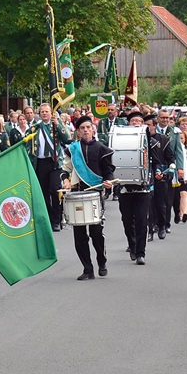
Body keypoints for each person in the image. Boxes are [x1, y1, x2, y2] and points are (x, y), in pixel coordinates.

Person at [60, 116, 115, 280]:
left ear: (93, 129)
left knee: (96, 232)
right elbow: (65, 170)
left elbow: (108, 171)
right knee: (79, 234)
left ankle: (101, 260)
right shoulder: (73, 149)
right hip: (77, 194)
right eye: (82, 128)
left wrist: (108, 183)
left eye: (88, 127)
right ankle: (87, 269)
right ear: (77, 131)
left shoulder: (101, 148)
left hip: (95, 194)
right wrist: (65, 180)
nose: (85, 130)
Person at [26, 103, 72, 232]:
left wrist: (58, 125)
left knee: (54, 190)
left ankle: (57, 219)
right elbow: (28, 145)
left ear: (51, 113)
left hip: (55, 163)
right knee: (44, 193)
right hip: (40, 163)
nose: (44, 113)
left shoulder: (56, 125)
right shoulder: (35, 128)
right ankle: (48, 220)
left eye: (47, 111)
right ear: (39, 114)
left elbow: (67, 138)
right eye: (42, 112)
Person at [117, 112, 153, 264]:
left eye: (139, 121)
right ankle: (132, 245)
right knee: (126, 220)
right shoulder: (120, 141)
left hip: (143, 187)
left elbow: (156, 160)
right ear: (128, 123)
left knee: (141, 220)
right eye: (133, 121)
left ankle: (140, 253)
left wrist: (157, 171)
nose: (136, 123)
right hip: (125, 187)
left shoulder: (150, 140)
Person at [144, 114, 175, 242]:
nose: (145, 128)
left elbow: (171, 159)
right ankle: (150, 230)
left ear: (154, 126)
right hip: (146, 177)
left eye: (148, 125)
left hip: (160, 176)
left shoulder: (164, 139)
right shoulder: (141, 141)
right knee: (149, 205)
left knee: (160, 204)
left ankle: (162, 225)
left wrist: (169, 173)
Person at [156, 109, 184, 233]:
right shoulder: (151, 131)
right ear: (158, 118)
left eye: (167, 118)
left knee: (168, 198)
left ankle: (166, 223)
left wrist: (180, 168)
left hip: (169, 168)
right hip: (155, 168)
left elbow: (178, 151)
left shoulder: (174, 133)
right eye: (163, 118)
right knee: (155, 198)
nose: (165, 120)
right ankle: (157, 223)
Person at [97, 103, 126, 200]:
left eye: (112, 110)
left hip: (118, 150)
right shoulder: (101, 123)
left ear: (116, 111)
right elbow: (101, 137)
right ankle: (107, 191)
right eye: (108, 110)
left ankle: (116, 192)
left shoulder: (121, 122)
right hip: (106, 150)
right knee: (107, 170)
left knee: (117, 171)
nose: (110, 111)